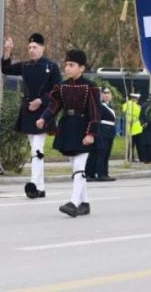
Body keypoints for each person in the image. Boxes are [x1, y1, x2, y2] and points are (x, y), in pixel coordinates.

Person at [36, 49, 99, 217]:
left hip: (84, 128)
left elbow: (95, 112)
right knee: (76, 168)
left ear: (82, 68)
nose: (67, 68)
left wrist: (91, 133)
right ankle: (84, 203)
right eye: (66, 65)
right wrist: (44, 118)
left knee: (79, 167)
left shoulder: (90, 87)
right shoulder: (61, 87)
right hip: (68, 128)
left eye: (71, 65)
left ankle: (73, 203)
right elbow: (54, 106)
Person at [2, 33, 62, 199]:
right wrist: (7, 52)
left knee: (37, 148)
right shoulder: (25, 66)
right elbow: (5, 69)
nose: (31, 50)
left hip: (44, 111)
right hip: (29, 110)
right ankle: (40, 188)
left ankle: (34, 184)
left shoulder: (51, 66)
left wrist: (41, 101)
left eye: (35, 47)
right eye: (29, 47)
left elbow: (58, 91)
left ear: (42, 48)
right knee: (35, 149)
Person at [85, 88, 116, 182]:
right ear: (100, 95)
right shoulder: (98, 105)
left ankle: (97, 173)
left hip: (109, 132)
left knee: (105, 154)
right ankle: (100, 174)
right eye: (104, 93)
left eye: (108, 93)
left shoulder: (109, 106)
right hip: (102, 131)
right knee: (100, 153)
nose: (106, 95)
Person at [121, 92, 144, 162]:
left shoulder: (126, 104)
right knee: (139, 144)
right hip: (137, 127)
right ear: (135, 98)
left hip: (130, 127)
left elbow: (123, 110)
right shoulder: (138, 107)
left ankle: (130, 157)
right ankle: (141, 158)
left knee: (131, 144)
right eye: (137, 99)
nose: (137, 100)